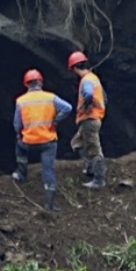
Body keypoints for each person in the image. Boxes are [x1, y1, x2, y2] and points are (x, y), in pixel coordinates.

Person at [12, 69, 72, 211]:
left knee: (19, 148)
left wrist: (19, 134)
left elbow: (16, 124)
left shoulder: (21, 101)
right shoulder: (50, 97)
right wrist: (55, 121)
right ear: (40, 82)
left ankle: (21, 174)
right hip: (48, 141)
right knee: (48, 169)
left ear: (26, 85)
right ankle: (49, 203)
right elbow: (68, 108)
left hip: (29, 142)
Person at [67, 51, 107, 189]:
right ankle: (90, 169)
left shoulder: (86, 80)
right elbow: (104, 98)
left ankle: (99, 180)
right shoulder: (94, 78)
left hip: (90, 119)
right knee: (76, 143)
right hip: (92, 119)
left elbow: (88, 94)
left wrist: (85, 107)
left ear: (75, 68)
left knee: (93, 149)